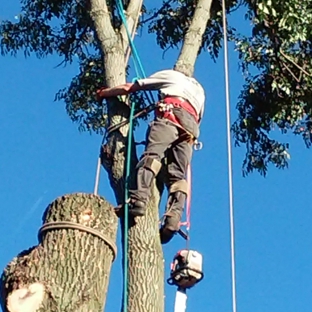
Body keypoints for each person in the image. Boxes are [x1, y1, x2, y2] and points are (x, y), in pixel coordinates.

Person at [96, 69, 205, 244]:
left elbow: (128, 87)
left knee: (152, 157)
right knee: (177, 177)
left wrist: (104, 93)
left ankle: (137, 200)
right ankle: (173, 219)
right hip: (190, 129)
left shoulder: (172, 75)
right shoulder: (199, 90)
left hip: (171, 114)